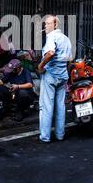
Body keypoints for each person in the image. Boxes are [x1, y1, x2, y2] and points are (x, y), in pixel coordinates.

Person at [37, 15, 72, 143]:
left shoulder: (51, 36)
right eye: (45, 24)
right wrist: (64, 74)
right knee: (60, 107)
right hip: (62, 77)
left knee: (46, 107)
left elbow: (51, 53)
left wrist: (41, 65)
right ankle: (60, 135)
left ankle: (45, 137)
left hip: (50, 76)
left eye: (47, 23)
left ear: (55, 25)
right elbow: (69, 61)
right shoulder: (67, 39)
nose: (45, 26)